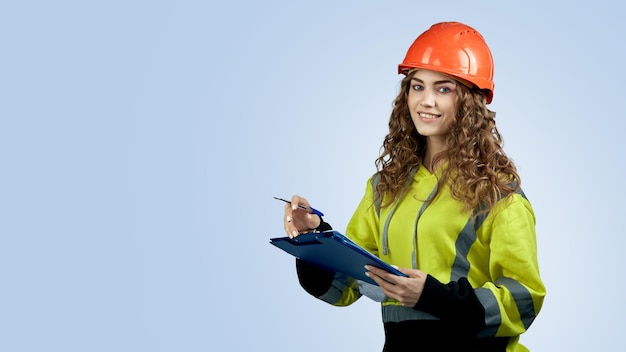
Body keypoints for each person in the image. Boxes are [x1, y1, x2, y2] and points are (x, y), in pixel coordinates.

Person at [281, 21, 546, 352]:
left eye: (443, 89)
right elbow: (343, 288)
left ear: (471, 101)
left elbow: (524, 301)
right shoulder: (384, 188)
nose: (426, 101)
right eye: (417, 86)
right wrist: (313, 241)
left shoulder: (498, 195)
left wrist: (433, 296)